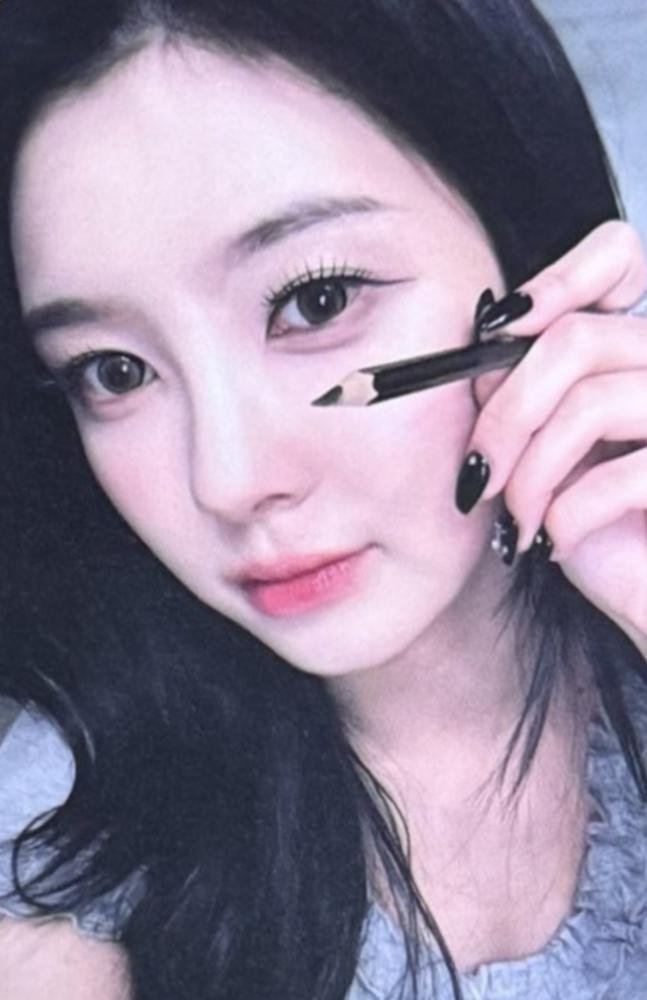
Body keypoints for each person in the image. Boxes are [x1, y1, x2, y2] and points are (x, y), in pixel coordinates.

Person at [0, 1, 645, 998]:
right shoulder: (73, 838)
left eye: (316, 301)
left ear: (533, 272)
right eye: (113, 371)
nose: (228, 481)